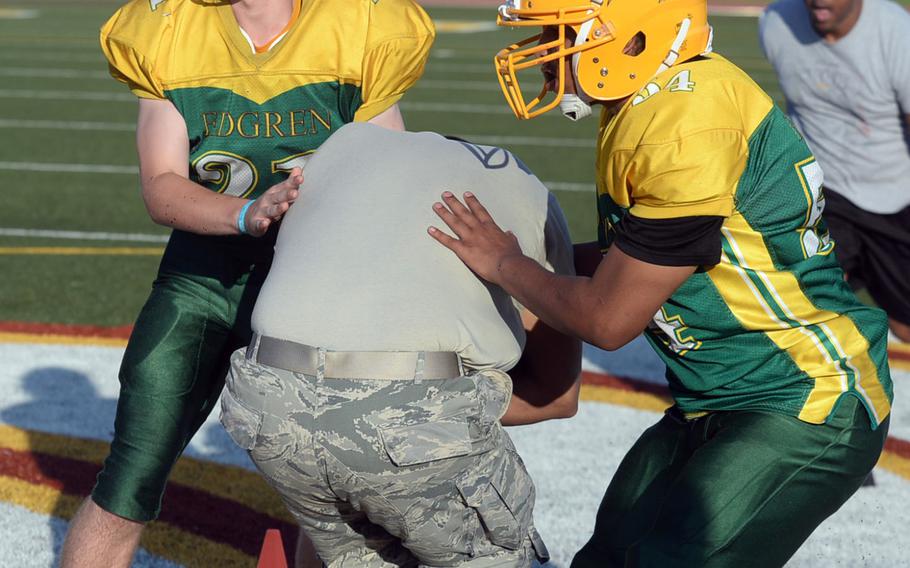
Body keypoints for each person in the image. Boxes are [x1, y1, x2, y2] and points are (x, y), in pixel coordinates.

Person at [428, 0, 894, 565]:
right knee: (610, 558)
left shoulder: (686, 119)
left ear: (629, 39)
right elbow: (628, 258)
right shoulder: (654, 99)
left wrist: (505, 264)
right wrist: (503, 260)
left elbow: (608, 318)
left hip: (800, 396)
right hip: (717, 395)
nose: (543, 54)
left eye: (560, 34)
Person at [61, 0, 434, 566]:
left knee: (332, 497)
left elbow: (387, 175)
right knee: (128, 482)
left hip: (319, 288)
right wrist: (246, 214)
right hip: (205, 282)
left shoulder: (361, 24)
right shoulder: (166, 29)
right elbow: (161, 184)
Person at [219, 122, 581, 566]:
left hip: (264, 404)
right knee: (496, 552)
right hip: (403, 418)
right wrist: (427, 411)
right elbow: (556, 396)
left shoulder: (342, 146)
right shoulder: (525, 191)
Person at [759, 0, 910, 343]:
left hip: (892, 197)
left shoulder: (898, 34)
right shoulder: (775, 23)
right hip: (823, 191)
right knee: (807, 305)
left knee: (904, 327)